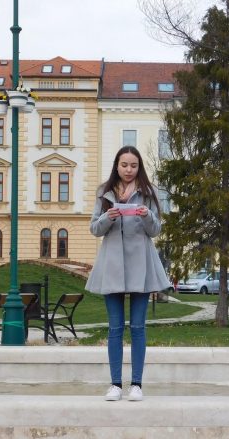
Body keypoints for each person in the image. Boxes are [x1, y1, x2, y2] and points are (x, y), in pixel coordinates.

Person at [85, 146, 172, 402]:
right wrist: (108, 217)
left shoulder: (149, 192)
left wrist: (147, 215)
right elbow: (95, 229)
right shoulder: (104, 192)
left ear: (139, 167)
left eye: (133, 165)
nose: (129, 170)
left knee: (137, 327)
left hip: (140, 265)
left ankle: (136, 384)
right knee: (114, 327)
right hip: (111, 265)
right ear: (117, 165)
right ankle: (115, 384)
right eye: (124, 165)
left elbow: (155, 230)